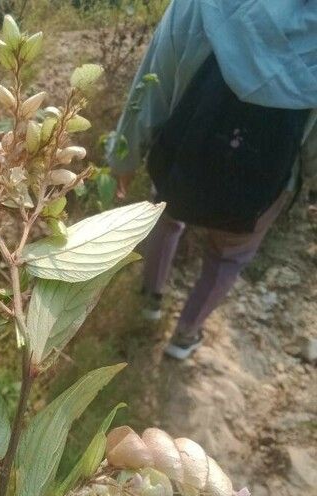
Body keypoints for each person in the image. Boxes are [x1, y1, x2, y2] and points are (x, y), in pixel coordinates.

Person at [107, 0, 317, 360]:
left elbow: (154, 78)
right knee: (229, 257)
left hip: (183, 158)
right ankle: (185, 335)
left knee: (167, 217)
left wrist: (124, 155)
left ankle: (150, 299)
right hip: (261, 187)